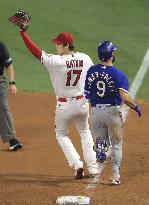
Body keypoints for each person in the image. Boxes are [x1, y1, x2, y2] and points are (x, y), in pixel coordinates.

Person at [15, 28, 99, 179]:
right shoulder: (85, 58)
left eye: (59, 44)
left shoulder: (56, 61)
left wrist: (23, 33)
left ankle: (77, 164)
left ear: (67, 45)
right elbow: (93, 76)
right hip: (82, 103)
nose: (56, 46)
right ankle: (93, 168)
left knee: (61, 134)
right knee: (85, 132)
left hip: (64, 106)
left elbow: (35, 51)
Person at [84, 40, 141, 185]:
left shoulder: (91, 71)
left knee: (101, 141)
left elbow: (86, 93)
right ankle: (115, 175)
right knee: (117, 144)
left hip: (95, 112)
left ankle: (100, 151)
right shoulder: (118, 74)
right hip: (112, 112)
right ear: (111, 55)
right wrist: (135, 106)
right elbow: (125, 98)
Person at [0, 41, 23, 151]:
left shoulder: (0, 46)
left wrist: (12, 83)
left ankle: (12, 140)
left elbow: (8, 65)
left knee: (3, 107)